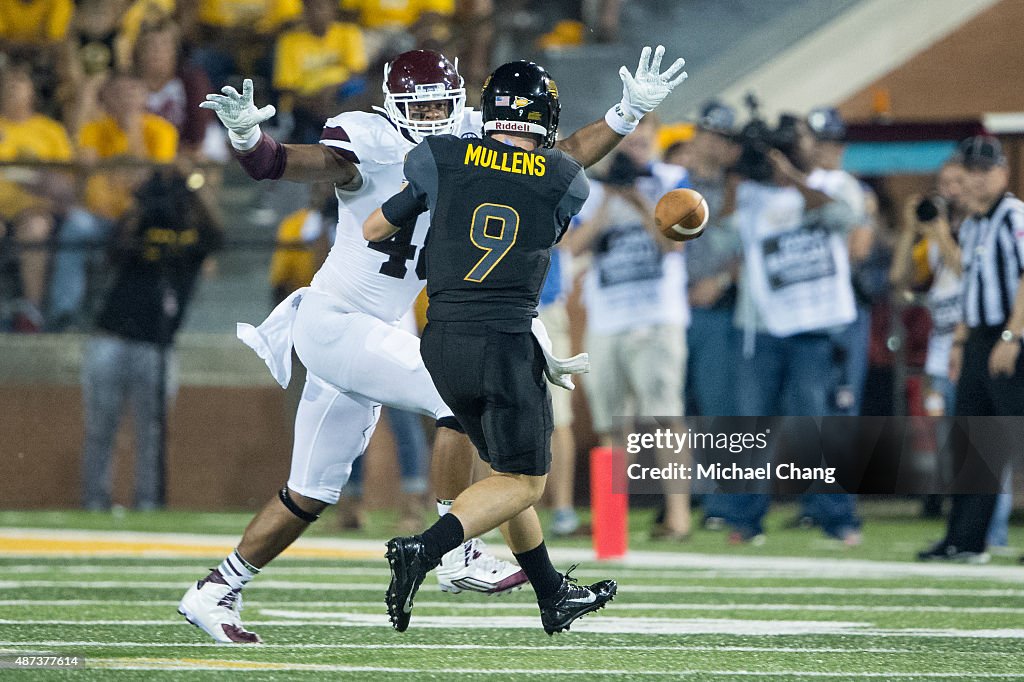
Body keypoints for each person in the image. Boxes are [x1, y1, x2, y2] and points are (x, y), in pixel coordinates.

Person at [178, 45, 686, 643]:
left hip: (381, 328)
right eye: (417, 109)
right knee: (461, 402)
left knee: (308, 492)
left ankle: (216, 590)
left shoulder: (468, 138)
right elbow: (283, 163)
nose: (429, 118)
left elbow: (559, 159)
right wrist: (247, 140)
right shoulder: (365, 142)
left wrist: (624, 114)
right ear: (391, 107)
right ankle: (454, 548)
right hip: (338, 320)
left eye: (441, 106)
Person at [365, 56, 678, 634]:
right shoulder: (564, 179)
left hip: (440, 339)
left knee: (504, 475)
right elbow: (553, 184)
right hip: (504, 341)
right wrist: (625, 116)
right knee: (523, 481)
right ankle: (427, 550)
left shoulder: (439, 157)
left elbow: (375, 229)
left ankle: (551, 593)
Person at [724, 113, 860, 543]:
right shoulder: (749, 193)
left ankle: (836, 517)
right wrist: (732, 183)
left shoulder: (835, 183)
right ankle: (746, 520)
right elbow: (719, 241)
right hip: (760, 328)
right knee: (753, 428)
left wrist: (794, 179)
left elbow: (844, 218)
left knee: (816, 426)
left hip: (813, 328)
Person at [564, 114, 692, 541]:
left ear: (655, 143)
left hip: (657, 317)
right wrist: (606, 204)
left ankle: (678, 518)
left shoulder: (672, 180)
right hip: (608, 318)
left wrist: (638, 200)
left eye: (640, 145)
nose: (631, 153)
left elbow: (674, 244)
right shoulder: (594, 190)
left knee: (666, 418)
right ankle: (611, 521)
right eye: (624, 146)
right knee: (611, 425)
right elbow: (571, 249)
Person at [81, 165, 223, 511]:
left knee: (152, 434)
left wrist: (194, 188)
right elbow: (115, 249)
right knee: (101, 428)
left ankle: (148, 500)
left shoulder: (194, 232)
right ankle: (94, 501)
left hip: (158, 345)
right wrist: (141, 201)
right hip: (112, 337)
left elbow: (218, 237)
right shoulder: (138, 221)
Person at [917, 135, 1024, 563]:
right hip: (979, 338)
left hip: (1008, 336)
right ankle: (965, 538)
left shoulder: (1013, 215)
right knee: (973, 443)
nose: (976, 181)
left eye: (984, 171)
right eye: (971, 172)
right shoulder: (975, 223)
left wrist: (1012, 337)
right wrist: (961, 340)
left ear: (1003, 172)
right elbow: (972, 289)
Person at [0, 66, 76, 333]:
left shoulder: (50, 131)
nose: (12, 88)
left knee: (35, 228)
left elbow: (67, 187)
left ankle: (32, 309)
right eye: (7, 83)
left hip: (36, 210)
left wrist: (30, 176)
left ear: (32, 91)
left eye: (19, 82)